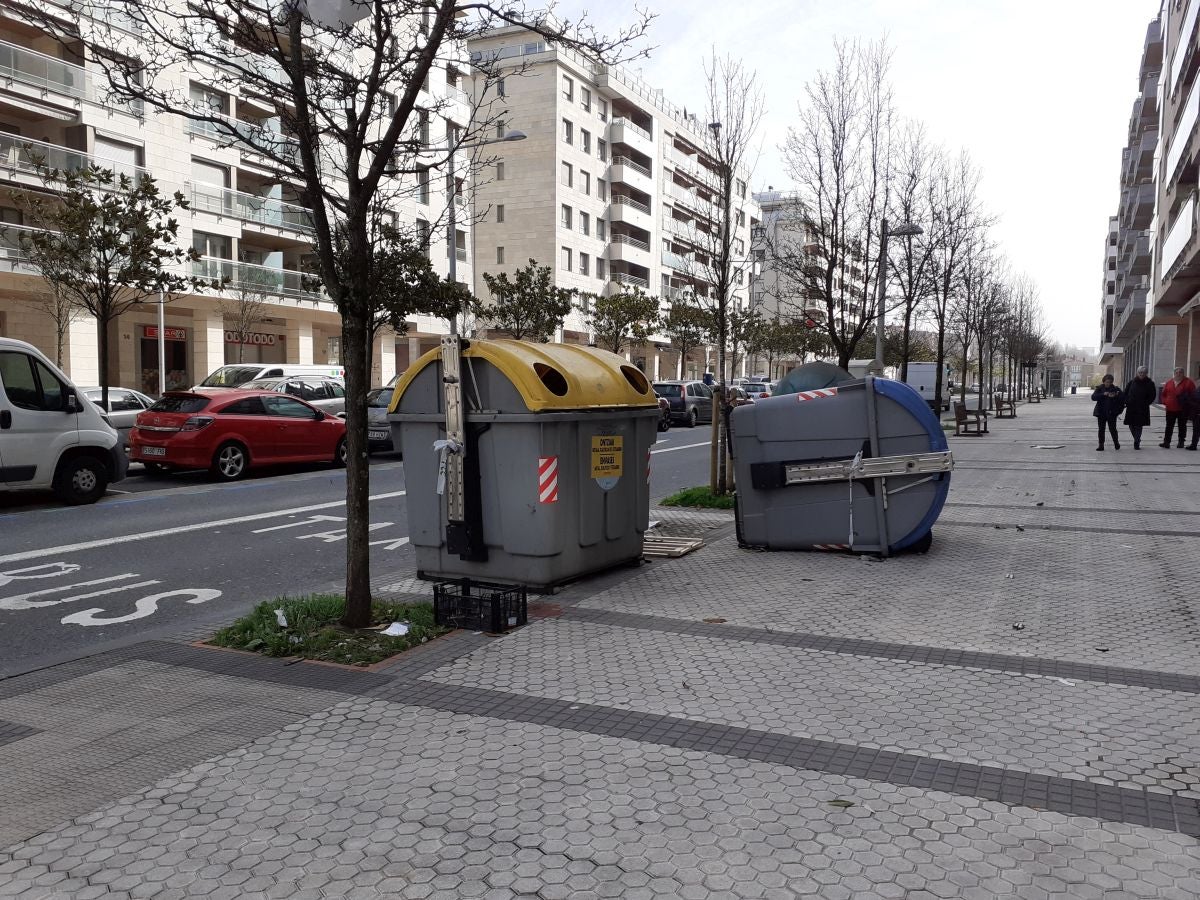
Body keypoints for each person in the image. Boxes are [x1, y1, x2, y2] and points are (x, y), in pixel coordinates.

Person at [1160, 366, 1197, 449]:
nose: (1178, 374)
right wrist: (1165, 402)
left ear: (1183, 373)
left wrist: (1189, 404)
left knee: (1182, 426)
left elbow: (1193, 395)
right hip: (1170, 408)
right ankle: (1166, 442)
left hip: (1182, 409)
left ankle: (1181, 442)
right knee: (1169, 426)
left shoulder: (1188, 382)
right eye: (1177, 372)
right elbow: (1163, 394)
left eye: (1180, 372)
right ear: (1174, 373)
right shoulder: (1169, 382)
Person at [1122, 366, 1157, 450]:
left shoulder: (1150, 383)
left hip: (1142, 408)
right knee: (1131, 425)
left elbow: (1152, 395)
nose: (1141, 374)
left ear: (1146, 374)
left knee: (1139, 425)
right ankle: (1137, 438)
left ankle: (1136, 442)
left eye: (1143, 373)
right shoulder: (1131, 382)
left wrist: (1146, 403)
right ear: (1137, 373)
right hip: (1131, 407)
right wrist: (1126, 401)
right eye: (1140, 372)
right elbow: (1125, 393)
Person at [1092, 375, 1124, 451]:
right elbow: (1093, 397)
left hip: (1112, 413)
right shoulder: (1099, 388)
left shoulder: (1116, 389)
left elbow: (1123, 397)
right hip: (1101, 413)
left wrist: (1116, 395)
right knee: (1101, 429)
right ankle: (1101, 445)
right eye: (1107, 382)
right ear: (1104, 381)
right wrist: (1103, 394)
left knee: (1112, 429)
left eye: (1110, 382)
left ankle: (1116, 443)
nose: (1108, 383)